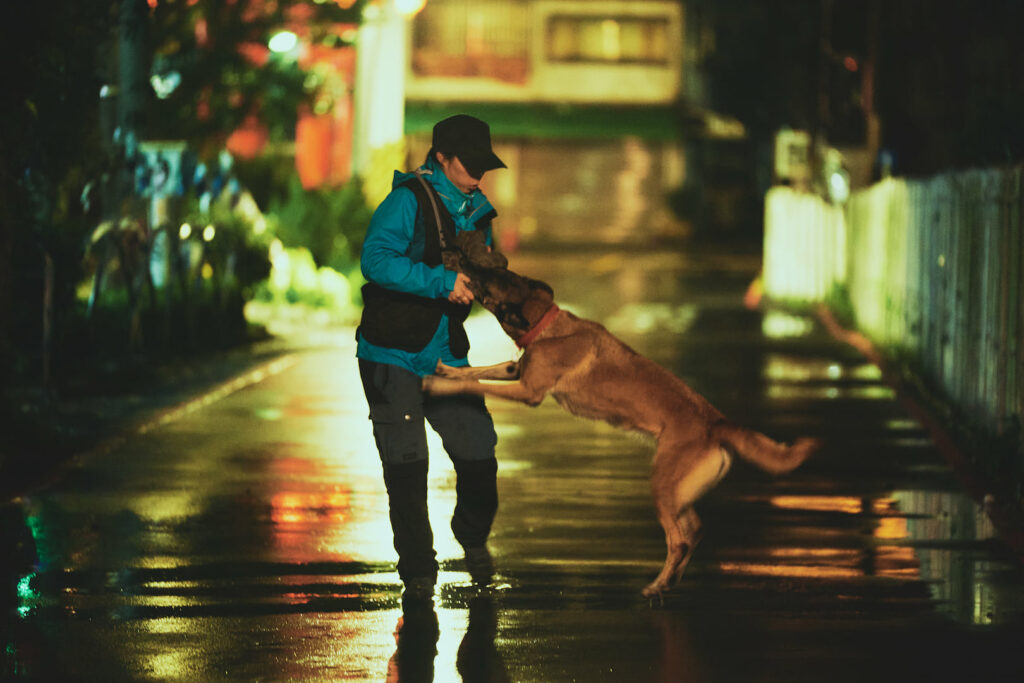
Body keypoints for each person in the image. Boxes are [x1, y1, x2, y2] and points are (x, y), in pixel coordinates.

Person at [356, 114, 506, 605]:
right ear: (441, 158)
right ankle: (419, 574)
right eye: (470, 163)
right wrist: (440, 283)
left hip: (445, 353)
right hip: (391, 353)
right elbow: (375, 260)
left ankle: (472, 534)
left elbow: (481, 272)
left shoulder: (475, 209)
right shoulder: (407, 201)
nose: (479, 172)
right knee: (407, 465)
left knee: (479, 455)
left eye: (485, 164)